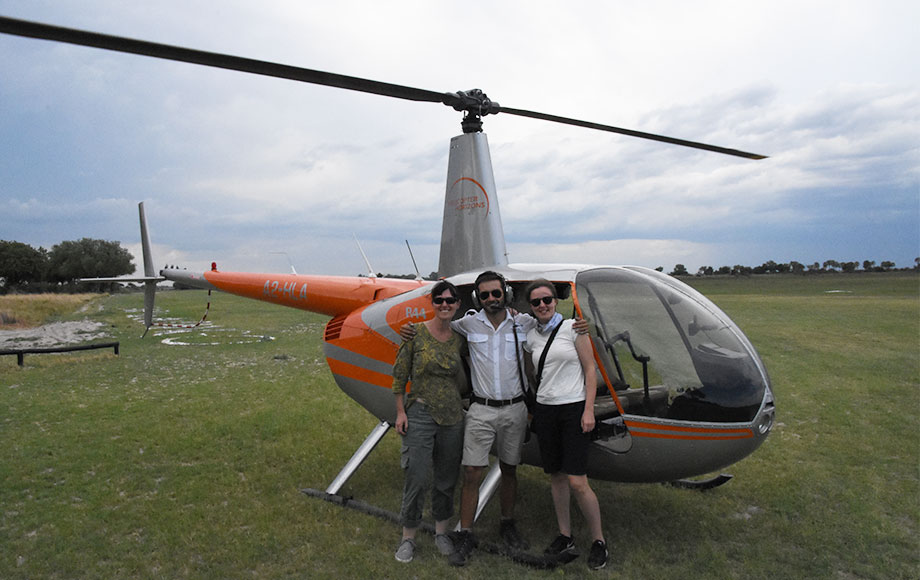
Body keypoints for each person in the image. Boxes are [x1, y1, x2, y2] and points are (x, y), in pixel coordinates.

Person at [524, 279, 608, 570]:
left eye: (547, 299)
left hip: (573, 410)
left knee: (577, 481)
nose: (542, 305)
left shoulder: (574, 328)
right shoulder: (531, 335)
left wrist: (588, 411)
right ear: (531, 307)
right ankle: (565, 534)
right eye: (536, 302)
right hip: (546, 411)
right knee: (557, 477)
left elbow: (590, 370)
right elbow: (532, 373)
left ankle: (598, 540)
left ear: (555, 301)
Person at [391, 281, 467, 564]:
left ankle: (441, 532)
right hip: (420, 413)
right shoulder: (415, 334)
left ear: (458, 304)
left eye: (450, 300)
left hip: (452, 416)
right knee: (417, 475)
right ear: (432, 304)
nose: (445, 305)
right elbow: (399, 375)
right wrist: (400, 412)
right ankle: (408, 537)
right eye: (439, 300)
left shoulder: (459, 338)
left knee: (446, 478)